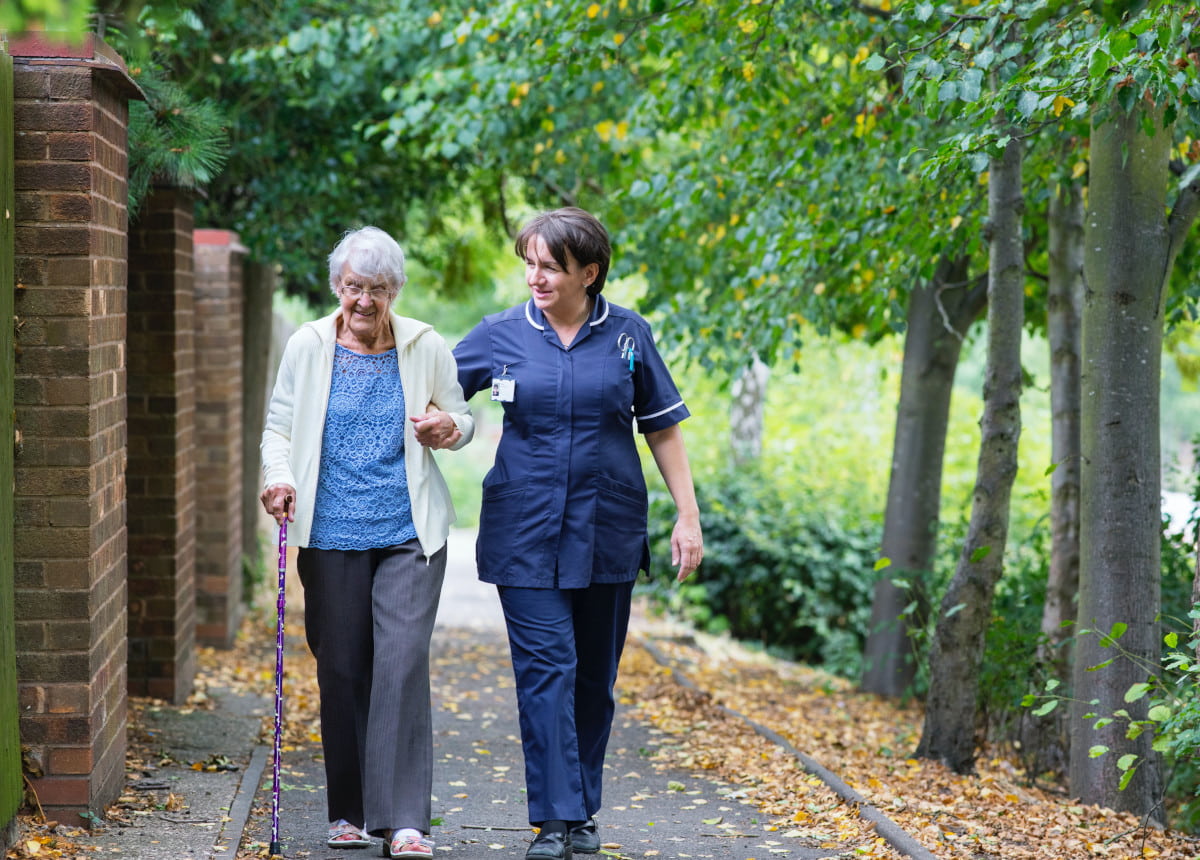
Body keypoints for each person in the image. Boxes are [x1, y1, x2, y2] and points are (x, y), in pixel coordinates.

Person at [452, 207, 704, 860]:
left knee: (594, 678)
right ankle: (556, 820)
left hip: (608, 529)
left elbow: (663, 429)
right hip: (523, 532)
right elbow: (435, 391)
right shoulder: (500, 334)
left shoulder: (629, 335)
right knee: (548, 671)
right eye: (529, 263)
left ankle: (582, 807)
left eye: (550, 266)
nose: (534, 277)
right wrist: (442, 426)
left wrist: (688, 515)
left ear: (588, 273)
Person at [259, 226, 473, 858]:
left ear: (395, 291)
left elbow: (460, 417)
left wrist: (447, 428)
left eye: (377, 289)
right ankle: (349, 811)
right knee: (344, 667)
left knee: (402, 663)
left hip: (410, 533)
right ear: (337, 287)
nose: (364, 301)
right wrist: (278, 479)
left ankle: (405, 820)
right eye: (354, 287)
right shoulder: (308, 345)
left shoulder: (425, 345)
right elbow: (278, 427)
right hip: (329, 533)